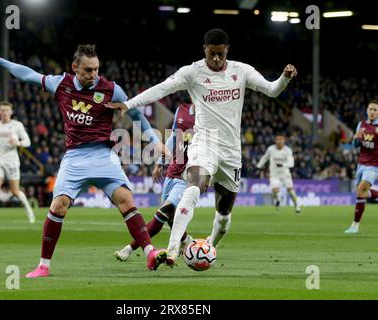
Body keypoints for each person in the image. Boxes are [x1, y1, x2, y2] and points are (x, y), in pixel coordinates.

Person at [107, 28, 297, 265]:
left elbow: (271, 90)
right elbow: (161, 88)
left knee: (224, 214)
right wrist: (128, 103)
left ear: (227, 50)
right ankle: (174, 248)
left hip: (231, 152)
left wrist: (285, 78)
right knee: (194, 185)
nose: (216, 59)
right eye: (212, 54)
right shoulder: (192, 72)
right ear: (204, 49)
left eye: (220, 54)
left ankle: (209, 248)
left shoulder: (242, 71)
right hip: (204, 142)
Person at [0, 44, 169, 278]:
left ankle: (150, 253)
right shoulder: (61, 83)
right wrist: (1, 61)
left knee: (126, 200)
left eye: (96, 69)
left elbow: (136, 115)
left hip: (103, 155)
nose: (94, 75)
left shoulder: (111, 90)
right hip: (75, 157)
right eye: (88, 70)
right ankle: (43, 266)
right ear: (75, 67)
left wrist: (155, 141)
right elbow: (29, 74)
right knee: (58, 205)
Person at [114, 103, 195, 261]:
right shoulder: (182, 109)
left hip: (186, 177)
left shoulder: (210, 116)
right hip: (171, 173)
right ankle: (187, 241)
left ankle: (128, 249)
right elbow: (173, 136)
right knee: (171, 218)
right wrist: (161, 161)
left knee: (162, 214)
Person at [0, 101, 36, 226]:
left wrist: (18, 143)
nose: (5, 112)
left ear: (11, 112)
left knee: (15, 191)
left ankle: (29, 210)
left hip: (11, 161)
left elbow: (27, 141)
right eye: (2, 110)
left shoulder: (17, 125)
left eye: (7, 110)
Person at [344, 101, 378, 234]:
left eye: (375, 110)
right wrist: (356, 138)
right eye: (370, 109)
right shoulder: (361, 125)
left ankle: (355, 225)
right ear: (366, 111)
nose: (372, 111)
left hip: (374, 165)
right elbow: (356, 146)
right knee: (361, 192)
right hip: (361, 164)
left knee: (360, 189)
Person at [256, 133, 301, 213]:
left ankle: (297, 205)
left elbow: (291, 163)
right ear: (275, 140)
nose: (279, 141)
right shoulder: (271, 149)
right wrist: (258, 166)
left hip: (285, 173)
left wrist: (282, 164)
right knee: (275, 190)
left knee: (290, 190)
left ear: (284, 140)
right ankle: (278, 199)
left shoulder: (287, 150)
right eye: (277, 139)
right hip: (274, 174)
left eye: (281, 139)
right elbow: (265, 157)